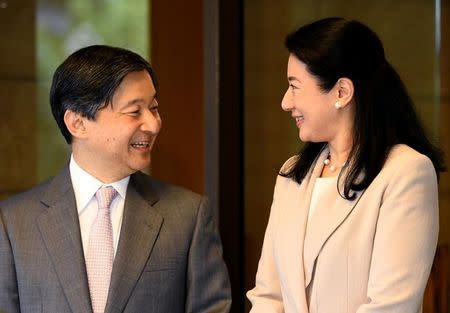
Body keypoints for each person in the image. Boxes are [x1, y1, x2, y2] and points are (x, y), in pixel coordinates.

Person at [0, 45, 231, 313]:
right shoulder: (13, 224)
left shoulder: (187, 216)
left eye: (153, 107)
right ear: (78, 123)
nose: (154, 124)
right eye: (135, 111)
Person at [247, 17, 445, 313]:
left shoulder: (406, 172)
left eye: (294, 86)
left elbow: (391, 306)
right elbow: (268, 296)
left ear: (341, 92)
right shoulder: (291, 174)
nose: (286, 102)